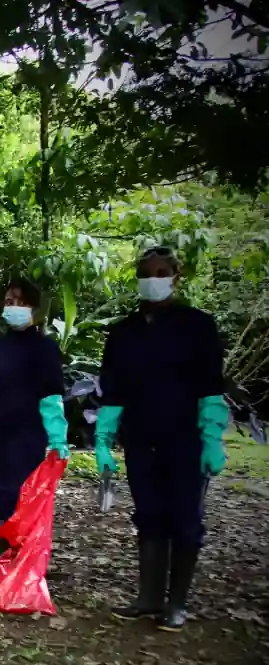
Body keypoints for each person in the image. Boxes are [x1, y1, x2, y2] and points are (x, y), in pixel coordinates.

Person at [94, 246, 228, 631]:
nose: (153, 279)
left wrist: (212, 438)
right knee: (149, 515)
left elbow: (210, 387)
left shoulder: (197, 325)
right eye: (146, 273)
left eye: (161, 272)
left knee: (185, 519)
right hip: (140, 438)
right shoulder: (124, 332)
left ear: (175, 277)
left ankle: (178, 602)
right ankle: (149, 597)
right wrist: (103, 440)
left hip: (184, 438)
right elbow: (113, 389)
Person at [0, 278, 69, 597]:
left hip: (29, 435)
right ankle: (6, 568)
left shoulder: (44, 349)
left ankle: (8, 571)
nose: (13, 307)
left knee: (14, 498)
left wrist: (58, 440)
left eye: (19, 301)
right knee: (7, 496)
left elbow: (51, 399)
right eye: (8, 300)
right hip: (0, 436)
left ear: (34, 309)